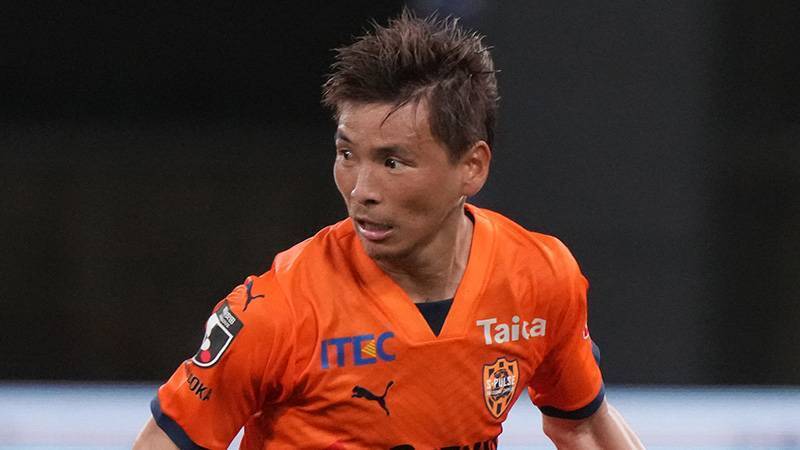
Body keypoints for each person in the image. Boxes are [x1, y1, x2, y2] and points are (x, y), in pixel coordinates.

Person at [134, 10, 643, 450]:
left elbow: (583, 428)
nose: (361, 191)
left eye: (393, 162)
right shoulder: (278, 312)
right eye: (346, 154)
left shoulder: (540, 277)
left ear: (472, 167)